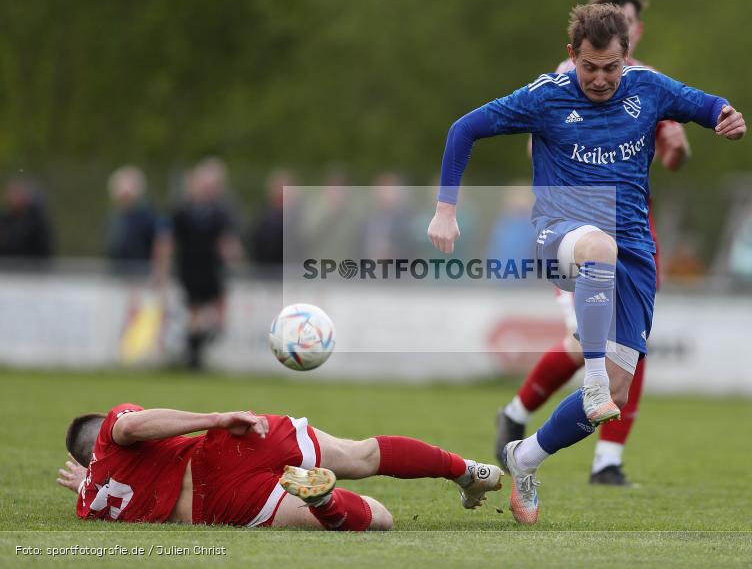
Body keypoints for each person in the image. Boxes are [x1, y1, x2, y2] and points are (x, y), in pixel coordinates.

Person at [427, 3, 745, 523]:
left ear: (626, 59)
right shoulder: (546, 96)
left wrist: (725, 117)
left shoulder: (649, 88)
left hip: (635, 252)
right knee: (599, 256)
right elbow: (464, 128)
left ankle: (523, 459)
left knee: (617, 394)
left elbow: (706, 105)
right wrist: (445, 210)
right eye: (589, 66)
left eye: (611, 68)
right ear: (572, 55)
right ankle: (591, 376)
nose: (599, 79)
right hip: (563, 234)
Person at [495, 0, 691, 486]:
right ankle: (522, 415)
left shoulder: (650, 85)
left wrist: (673, 143)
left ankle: (602, 457)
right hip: (577, 227)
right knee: (590, 343)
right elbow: (540, 137)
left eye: (630, 23)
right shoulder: (568, 80)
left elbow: (674, 152)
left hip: (635, 231)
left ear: (635, 32)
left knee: (626, 345)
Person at [57, 403, 503, 531]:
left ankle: (324, 501)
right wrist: (214, 418)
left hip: (222, 505)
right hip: (231, 445)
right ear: (100, 437)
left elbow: (102, 478)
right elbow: (135, 424)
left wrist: (86, 483)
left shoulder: (89, 503)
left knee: (378, 517)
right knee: (362, 454)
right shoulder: (114, 429)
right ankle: (467, 470)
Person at [154, 158, 244, 370]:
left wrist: (233, 255)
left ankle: (197, 348)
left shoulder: (221, 210)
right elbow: (166, 239)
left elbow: (228, 240)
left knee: (217, 317)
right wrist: (161, 267)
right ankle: (192, 356)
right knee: (193, 313)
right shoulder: (181, 209)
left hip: (213, 270)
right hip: (190, 269)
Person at [106, 165, 159, 275]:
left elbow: (160, 243)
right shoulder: (114, 215)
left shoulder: (148, 215)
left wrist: (157, 273)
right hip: (118, 272)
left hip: (141, 273)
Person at [0, 178, 53, 261]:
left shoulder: (36, 219)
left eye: (16, 193)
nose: (11, 198)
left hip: (33, 269)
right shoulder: (6, 218)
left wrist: (6, 239)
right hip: (9, 268)